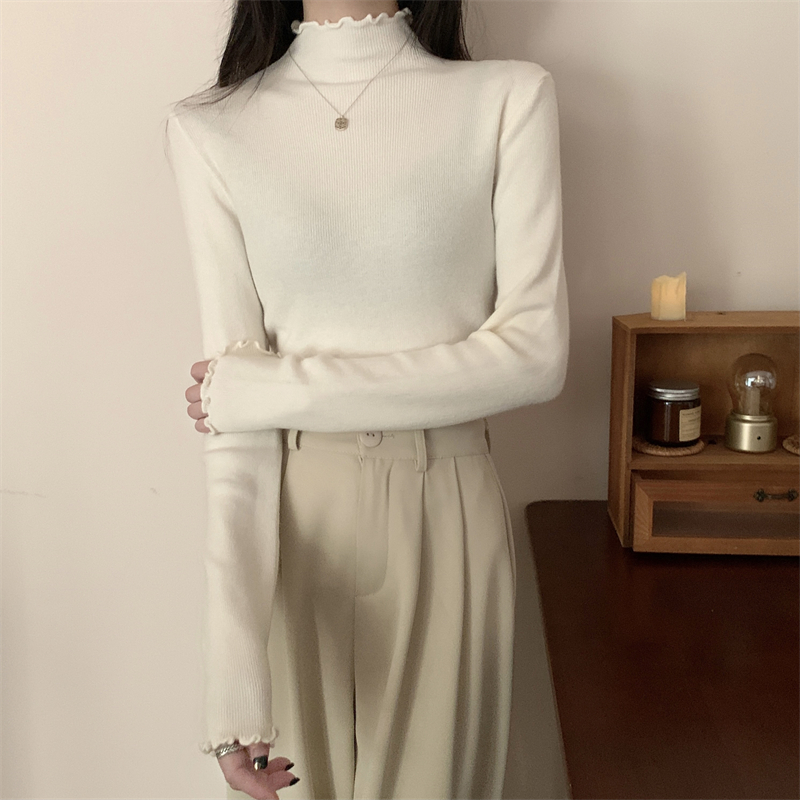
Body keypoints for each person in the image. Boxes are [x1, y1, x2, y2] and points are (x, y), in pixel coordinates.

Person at [164, 1, 570, 798]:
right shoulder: (209, 128)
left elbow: (535, 358)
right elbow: (237, 431)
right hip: (294, 515)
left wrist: (267, 389)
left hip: (448, 504)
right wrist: (232, 686)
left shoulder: (508, 98)